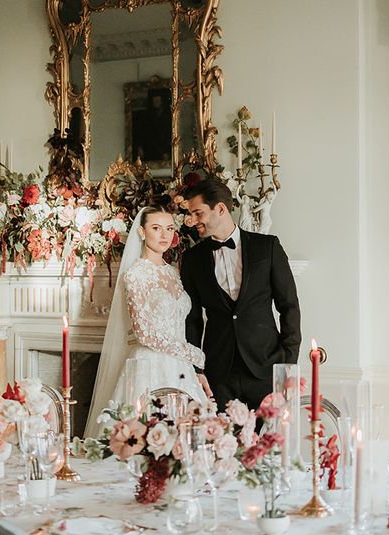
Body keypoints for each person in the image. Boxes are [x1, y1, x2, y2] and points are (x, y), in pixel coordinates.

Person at [85, 205, 207, 438]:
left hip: (181, 368)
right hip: (149, 365)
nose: (164, 235)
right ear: (142, 232)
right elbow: (144, 333)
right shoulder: (135, 274)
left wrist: (191, 362)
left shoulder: (173, 272)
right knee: (143, 437)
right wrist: (192, 353)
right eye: (156, 228)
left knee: (186, 438)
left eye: (170, 228)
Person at [181, 177, 301, 411]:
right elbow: (191, 319)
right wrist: (196, 369)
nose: (192, 221)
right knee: (223, 445)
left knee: (269, 444)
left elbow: (289, 306)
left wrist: (287, 362)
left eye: (198, 213)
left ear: (221, 209)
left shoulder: (268, 247)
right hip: (219, 373)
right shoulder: (192, 259)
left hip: (266, 367)